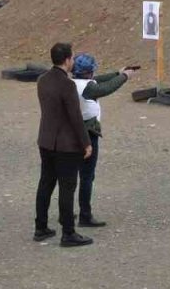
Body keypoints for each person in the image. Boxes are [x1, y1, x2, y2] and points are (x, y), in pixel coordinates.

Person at [34, 42, 94, 247]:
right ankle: (68, 233)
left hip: (45, 140)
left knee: (45, 183)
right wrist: (86, 143)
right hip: (65, 145)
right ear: (68, 60)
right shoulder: (67, 85)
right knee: (67, 188)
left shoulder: (42, 80)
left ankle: (40, 227)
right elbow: (75, 117)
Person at [69, 53, 135, 227]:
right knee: (87, 176)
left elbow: (98, 80)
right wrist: (124, 77)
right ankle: (85, 216)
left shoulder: (71, 83)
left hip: (71, 131)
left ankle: (66, 212)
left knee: (70, 175)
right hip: (88, 132)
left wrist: (117, 73)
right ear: (88, 72)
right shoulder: (88, 88)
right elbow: (106, 88)